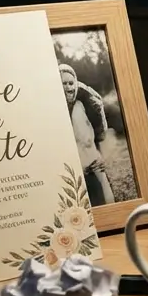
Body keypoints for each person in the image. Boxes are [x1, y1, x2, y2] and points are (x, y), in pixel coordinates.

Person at [61, 63, 114, 207]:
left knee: (103, 188)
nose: (68, 87)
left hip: (91, 155)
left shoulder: (83, 102)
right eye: (63, 84)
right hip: (74, 163)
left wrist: (101, 156)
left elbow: (100, 132)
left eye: (71, 83)